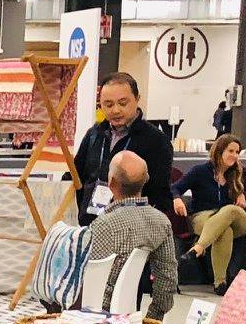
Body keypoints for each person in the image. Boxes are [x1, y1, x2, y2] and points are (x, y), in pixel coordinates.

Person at [86, 151, 179, 317]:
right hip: (129, 316)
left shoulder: (103, 225)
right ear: (146, 180)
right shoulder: (161, 222)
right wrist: (153, 318)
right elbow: (167, 278)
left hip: (93, 316)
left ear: (111, 183)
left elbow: (90, 282)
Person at [73, 71, 173, 223]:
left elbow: (160, 194)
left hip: (131, 226)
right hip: (90, 222)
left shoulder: (156, 140)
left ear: (137, 99)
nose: (115, 110)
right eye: (108, 104)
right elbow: (77, 176)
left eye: (122, 103)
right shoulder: (94, 134)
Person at [173, 131, 246, 285]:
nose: (235, 155)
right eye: (231, 151)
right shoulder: (199, 171)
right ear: (219, 150)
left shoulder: (241, 173)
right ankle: (220, 283)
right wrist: (177, 199)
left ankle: (198, 248)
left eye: (237, 152)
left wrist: (242, 193)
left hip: (237, 219)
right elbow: (175, 188)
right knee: (225, 231)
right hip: (203, 217)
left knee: (230, 210)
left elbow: (243, 203)